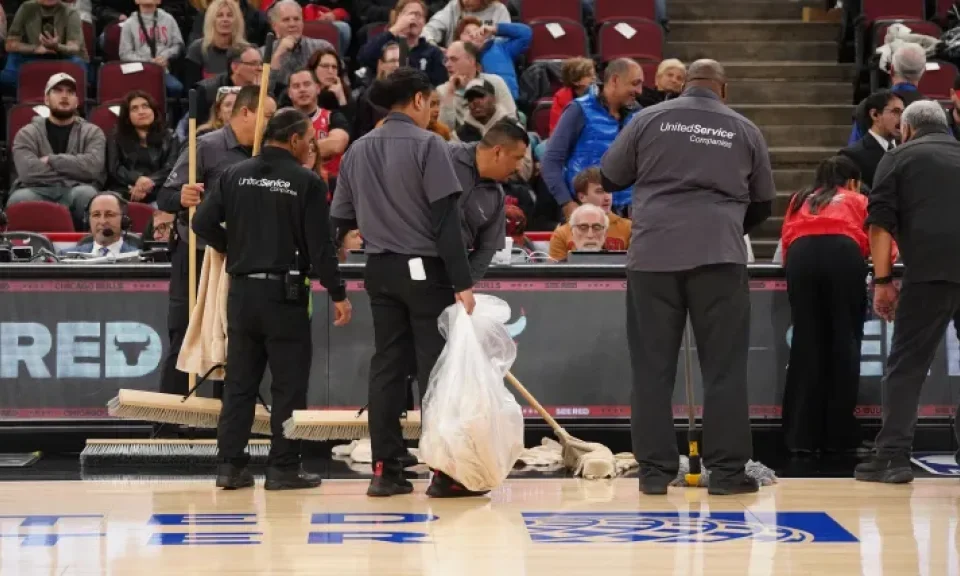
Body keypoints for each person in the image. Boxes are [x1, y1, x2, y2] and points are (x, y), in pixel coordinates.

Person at [600, 59, 776, 496]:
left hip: (653, 256)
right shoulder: (744, 129)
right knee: (724, 369)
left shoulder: (649, 119)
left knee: (651, 369)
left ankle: (655, 474)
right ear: (723, 88)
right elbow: (763, 203)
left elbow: (610, 174)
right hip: (719, 255)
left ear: (685, 86)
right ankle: (728, 475)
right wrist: (726, 225)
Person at [330, 67, 476, 498]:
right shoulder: (431, 145)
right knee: (437, 370)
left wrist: (334, 267)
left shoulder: (357, 148)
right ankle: (444, 472)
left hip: (379, 269)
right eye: (431, 103)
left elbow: (338, 218)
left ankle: (385, 469)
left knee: (388, 366)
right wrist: (462, 282)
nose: (433, 112)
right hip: (425, 271)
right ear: (416, 101)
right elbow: (445, 222)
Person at [192, 108, 351, 491]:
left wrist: (235, 247)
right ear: (295, 139)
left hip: (243, 293)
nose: (311, 147)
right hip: (285, 293)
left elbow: (200, 223)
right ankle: (282, 468)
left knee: (240, 383)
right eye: (310, 140)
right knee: (288, 384)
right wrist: (338, 292)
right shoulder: (306, 181)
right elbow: (320, 246)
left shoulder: (234, 174)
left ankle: (230, 466)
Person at [855, 100, 960, 484]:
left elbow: (880, 223)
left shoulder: (900, 157)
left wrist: (882, 283)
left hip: (931, 269)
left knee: (907, 366)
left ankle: (893, 458)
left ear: (908, 130)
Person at [156, 86, 276, 406]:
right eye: (268, 115)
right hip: (196, 254)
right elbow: (165, 197)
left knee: (236, 342)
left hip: (241, 259)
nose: (272, 122)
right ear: (246, 113)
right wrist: (181, 197)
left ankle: (229, 423)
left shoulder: (266, 154)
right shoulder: (204, 147)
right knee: (184, 335)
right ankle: (168, 426)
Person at [779, 156, 881, 456]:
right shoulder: (857, 198)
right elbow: (874, 239)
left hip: (800, 258)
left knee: (805, 345)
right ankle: (839, 436)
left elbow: (786, 239)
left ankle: (800, 436)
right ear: (851, 181)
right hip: (843, 254)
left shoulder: (800, 198)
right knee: (844, 344)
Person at [543, 58, 643, 218]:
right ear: (615, 80)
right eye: (635, 83)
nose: (639, 91)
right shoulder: (578, 110)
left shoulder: (639, 114)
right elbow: (551, 161)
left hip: (628, 214)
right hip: (585, 212)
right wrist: (567, 203)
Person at [8, 73, 105, 229]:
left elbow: (92, 168)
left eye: (70, 92)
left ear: (77, 101)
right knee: (19, 199)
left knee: (88, 195)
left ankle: (86, 248)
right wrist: (73, 171)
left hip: (77, 190)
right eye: (58, 91)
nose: (64, 96)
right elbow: (28, 173)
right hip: (35, 190)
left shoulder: (93, 132)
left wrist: (52, 160)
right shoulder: (27, 133)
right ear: (46, 99)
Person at [106, 90, 179, 203]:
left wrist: (150, 181)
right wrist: (138, 180)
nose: (141, 112)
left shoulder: (170, 136)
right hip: (126, 190)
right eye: (134, 109)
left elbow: (172, 168)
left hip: (160, 190)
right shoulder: (116, 137)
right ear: (127, 116)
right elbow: (115, 169)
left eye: (145, 106)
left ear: (153, 111)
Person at [117, 0, 185, 95]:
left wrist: (166, 56)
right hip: (139, 71)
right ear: (136, 1)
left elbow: (178, 44)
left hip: (162, 71)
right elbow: (125, 54)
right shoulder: (129, 23)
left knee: (176, 88)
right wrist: (149, 61)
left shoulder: (169, 19)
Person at [838, 90, 903, 187]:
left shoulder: (908, 150)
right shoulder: (851, 155)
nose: (902, 118)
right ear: (875, 114)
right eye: (896, 112)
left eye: (904, 112)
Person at [62, 192, 140, 255]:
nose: (102, 221)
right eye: (96, 215)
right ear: (88, 220)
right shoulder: (66, 256)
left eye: (109, 215)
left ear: (123, 220)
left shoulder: (140, 258)